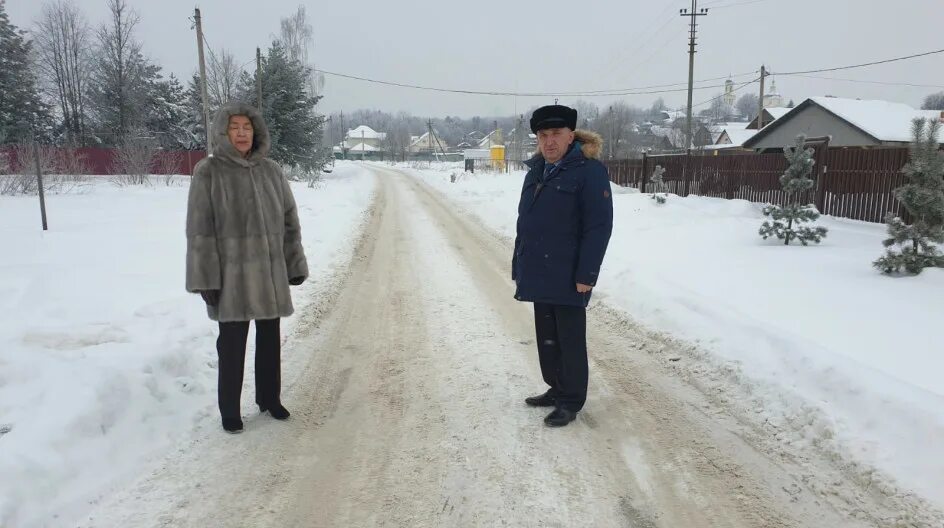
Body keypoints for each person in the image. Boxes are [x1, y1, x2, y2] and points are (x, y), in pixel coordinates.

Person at [185, 102, 308, 434]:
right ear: (223, 133)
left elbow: (289, 220)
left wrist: (294, 262)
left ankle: (270, 398)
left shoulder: (272, 171)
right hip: (231, 278)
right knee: (232, 344)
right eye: (234, 127)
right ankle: (230, 410)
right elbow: (200, 230)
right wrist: (204, 278)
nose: (241, 134)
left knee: (269, 340)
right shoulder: (208, 172)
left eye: (247, 127)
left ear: (256, 132)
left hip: (269, 274)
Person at [513, 104, 614, 427]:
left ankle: (571, 399)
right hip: (539, 270)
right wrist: (520, 262)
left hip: (570, 274)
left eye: (556, 134)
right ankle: (556, 388)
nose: (549, 141)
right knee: (547, 336)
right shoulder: (536, 170)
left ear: (571, 135)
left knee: (569, 339)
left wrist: (587, 274)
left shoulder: (589, 171)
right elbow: (525, 221)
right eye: (543, 135)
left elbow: (599, 227)